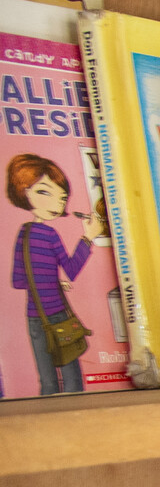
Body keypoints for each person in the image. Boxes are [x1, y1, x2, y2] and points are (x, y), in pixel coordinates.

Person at [9, 153, 91, 395]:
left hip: (34, 318)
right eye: (44, 192)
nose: (57, 202)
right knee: (73, 382)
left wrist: (49, 282)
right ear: (24, 192)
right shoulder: (50, 234)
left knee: (47, 382)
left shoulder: (23, 234)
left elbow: (18, 281)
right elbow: (72, 269)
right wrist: (88, 237)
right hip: (56, 316)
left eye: (61, 196)